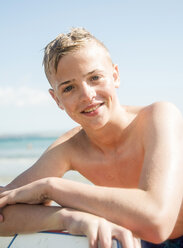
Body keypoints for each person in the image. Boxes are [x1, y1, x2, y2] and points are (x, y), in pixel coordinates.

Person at [0, 27, 183, 248]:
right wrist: (68, 217)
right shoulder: (69, 149)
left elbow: (157, 221)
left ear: (115, 76)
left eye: (95, 77)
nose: (87, 95)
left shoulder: (159, 117)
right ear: (56, 99)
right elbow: (4, 210)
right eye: (69, 88)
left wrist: (52, 187)